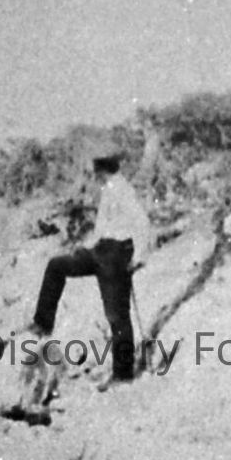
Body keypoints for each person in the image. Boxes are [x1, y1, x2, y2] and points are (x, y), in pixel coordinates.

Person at [30, 150, 151, 385]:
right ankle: (43, 323)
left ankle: (123, 374)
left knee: (117, 315)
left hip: (116, 255)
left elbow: (142, 222)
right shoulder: (109, 188)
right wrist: (87, 248)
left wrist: (139, 257)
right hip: (100, 251)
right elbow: (102, 228)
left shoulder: (123, 190)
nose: (95, 176)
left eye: (97, 171)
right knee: (56, 266)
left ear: (102, 170)